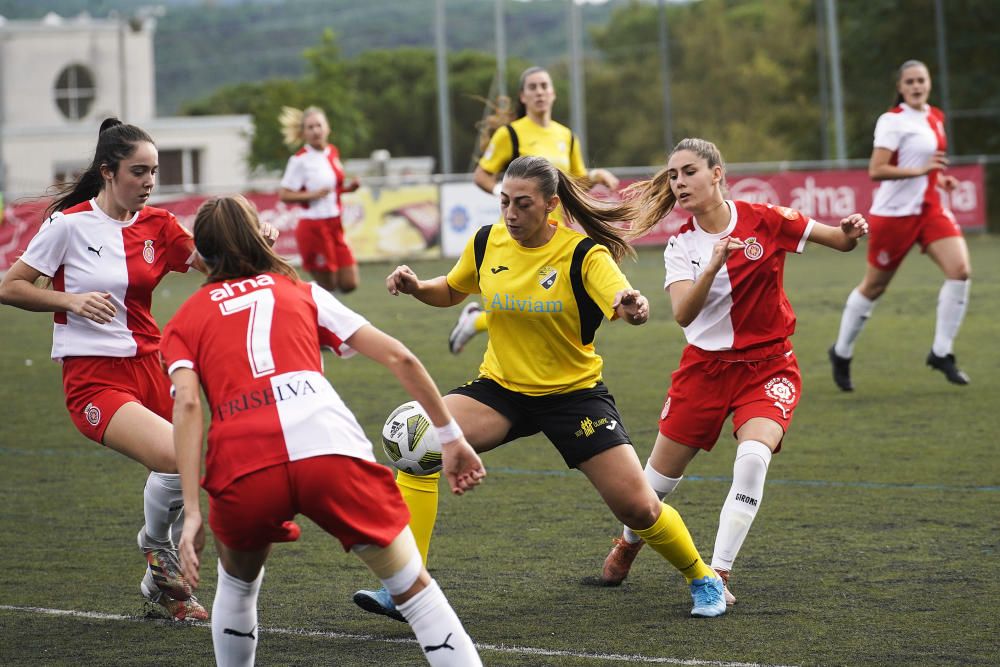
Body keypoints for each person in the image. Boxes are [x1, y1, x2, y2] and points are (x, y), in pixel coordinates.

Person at [354, 155, 728, 621]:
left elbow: (624, 299)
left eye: (523, 204)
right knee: (416, 443)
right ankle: (405, 586)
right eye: (504, 202)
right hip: (501, 390)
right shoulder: (488, 242)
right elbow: (450, 290)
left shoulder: (583, 254)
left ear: (551, 205)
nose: (510, 214)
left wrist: (632, 305)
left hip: (573, 396)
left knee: (638, 507)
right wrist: (416, 286)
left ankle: (703, 577)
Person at [163, 195, 485, 666]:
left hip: (244, 463)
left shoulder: (185, 319)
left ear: (202, 254)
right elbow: (401, 357)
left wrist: (192, 511)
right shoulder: (303, 291)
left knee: (236, 589)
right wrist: (452, 438)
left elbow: (188, 404)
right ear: (260, 236)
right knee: (415, 591)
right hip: (329, 450)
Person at [598, 138, 869, 606]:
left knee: (753, 460)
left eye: (688, 172)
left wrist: (851, 229)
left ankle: (718, 571)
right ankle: (629, 542)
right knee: (655, 485)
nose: (679, 183)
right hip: (704, 371)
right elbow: (683, 313)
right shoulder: (681, 245)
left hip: (769, 366)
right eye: (673, 176)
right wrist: (713, 266)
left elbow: (841, 241)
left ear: (717, 173)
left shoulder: (769, 219)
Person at [0, 118, 217, 621]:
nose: (148, 181)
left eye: (154, 172)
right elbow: (11, 286)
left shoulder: (160, 226)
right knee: (176, 457)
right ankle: (158, 550)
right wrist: (70, 300)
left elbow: (215, 265)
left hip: (152, 367)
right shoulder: (69, 224)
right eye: (138, 171)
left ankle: (155, 574)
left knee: (201, 462)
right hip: (95, 380)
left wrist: (249, 238)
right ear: (107, 172)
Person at [449, 66, 621, 355]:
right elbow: (482, 175)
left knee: (542, 302)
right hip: (519, 233)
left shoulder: (566, 136)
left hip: (555, 234)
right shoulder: (510, 134)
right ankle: (481, 326)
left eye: (544, 86)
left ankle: (478, 321)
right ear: (523, 96)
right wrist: (507, 199)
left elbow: (575, 183)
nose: (540, 91)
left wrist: (596, 176)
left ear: (553, 93)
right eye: (533, 87)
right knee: (521, 300)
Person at [829, 59, 971, 390]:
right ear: (901, 87)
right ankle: (841, 351)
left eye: (921, 80)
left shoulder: (935, 116)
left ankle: (942, 352)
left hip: (929, 210)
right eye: (910, 82)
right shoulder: (892, 122)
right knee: (874, 287)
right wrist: (920, 172)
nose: (917, 86)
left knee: (960, 272)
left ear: (930, 82)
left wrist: (940, 180)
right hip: (894, 215)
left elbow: (927, 165)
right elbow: (876, 170)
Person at [278, 105, 361, 293]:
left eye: (318, 125)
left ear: (327, 128)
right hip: (313, 226)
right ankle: (311, 306)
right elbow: (284, 195)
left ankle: (317, 303)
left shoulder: (332, 152)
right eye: (310, 127)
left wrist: (349, 189)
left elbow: (333, 190)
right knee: (328, 285)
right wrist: (312, 195)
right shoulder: (300, 160)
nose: (316, 130)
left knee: (349, 283)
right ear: (303, 133)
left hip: (334, 224)